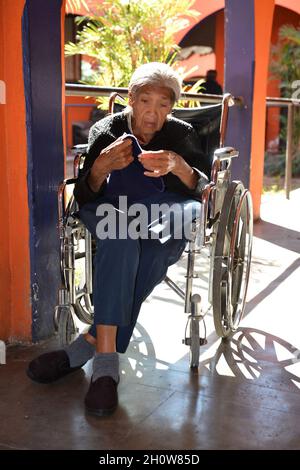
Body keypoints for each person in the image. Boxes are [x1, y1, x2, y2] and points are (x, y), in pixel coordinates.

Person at [27, 62, 209, 416]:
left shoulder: (182, 133)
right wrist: (100, 168)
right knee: (122, 236)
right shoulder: (107, 129)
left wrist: (178, 165)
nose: (153, 113)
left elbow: (201, 188)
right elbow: (83, 192)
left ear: (172, 107)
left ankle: (87, 346)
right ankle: (106, 366)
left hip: (163, 211)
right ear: (131, 99)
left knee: (162, 247)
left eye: (163, 104)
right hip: (109, 207)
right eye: (145, 101)